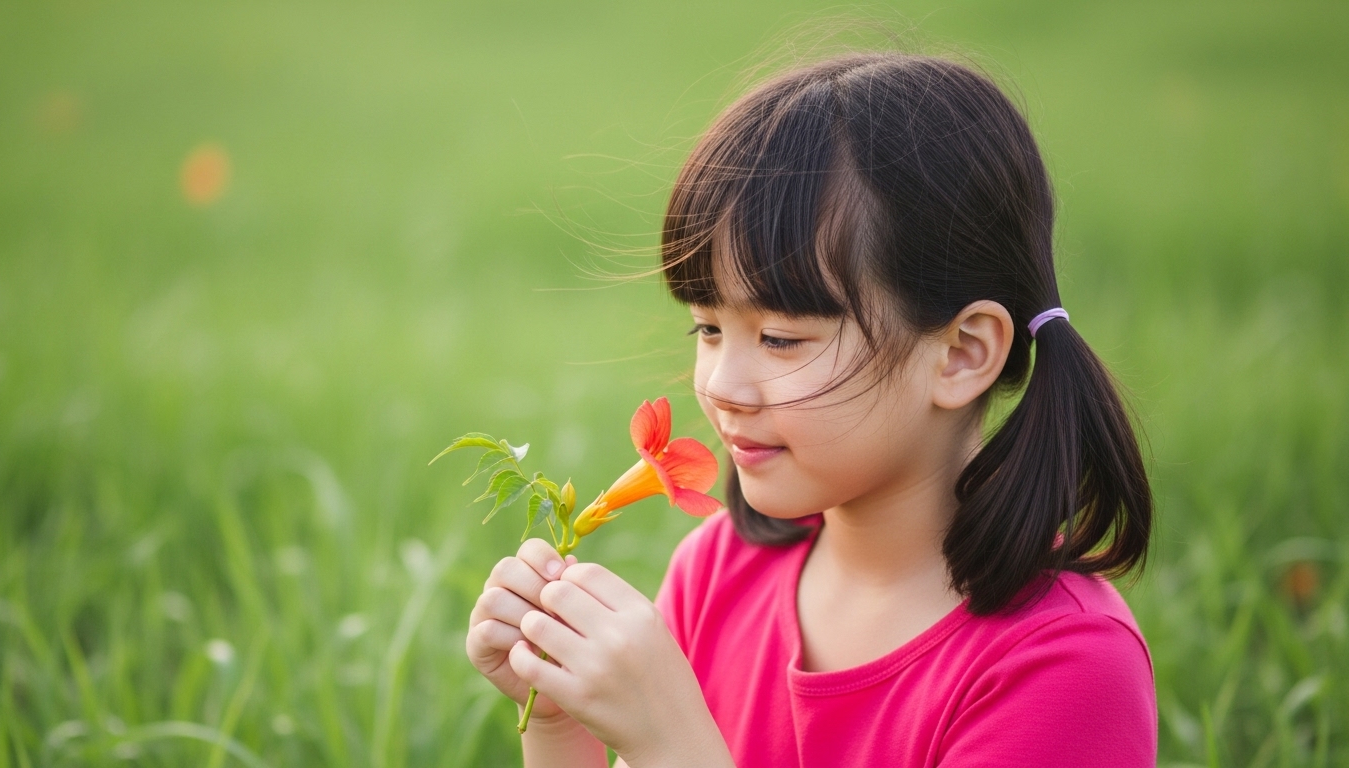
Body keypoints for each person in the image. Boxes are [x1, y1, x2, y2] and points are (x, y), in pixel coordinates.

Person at [465, 51, 1157, 767]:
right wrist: (556, 724)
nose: (721, 384)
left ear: (961, 354)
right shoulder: (719, 571)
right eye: (708, 328)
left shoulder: (1063, 664)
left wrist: (672, 742)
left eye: (780, 337)